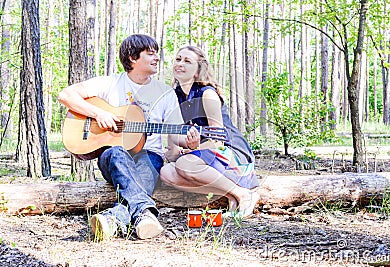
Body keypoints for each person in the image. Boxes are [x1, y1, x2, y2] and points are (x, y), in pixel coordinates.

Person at [58, 34, 184, 241]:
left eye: (157, 54)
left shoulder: (165, 93)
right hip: (113, 157)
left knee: (143, 174)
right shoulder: (109, 83)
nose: (157, 58)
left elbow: (176, 137)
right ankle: (145, 212)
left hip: (149, 156)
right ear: (133, 57)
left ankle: (111, 220)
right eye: (150, 54)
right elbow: (66, 95)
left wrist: (190, 141)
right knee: (116, 151)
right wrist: (98, 114)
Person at [160, 46, 259, 218]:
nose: (180, 64)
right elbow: (174, 150)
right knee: (167, 173)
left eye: (187, 61)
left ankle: (244, 194)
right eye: (178, 59)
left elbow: (217, 141)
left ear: (198, 71)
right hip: (202, 158)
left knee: (185, 165)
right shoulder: (173, 97)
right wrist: (173, 152)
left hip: (231, 152)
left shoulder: (207, 94)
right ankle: (231, 194)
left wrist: (192, 150)